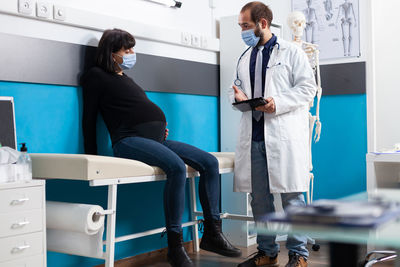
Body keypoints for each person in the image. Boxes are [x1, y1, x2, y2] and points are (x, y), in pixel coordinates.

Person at [80, 28, 241, 267]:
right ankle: (175, 248)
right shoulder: (95, 76)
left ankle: (212, 234)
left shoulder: (125, 77)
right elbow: (89, 117)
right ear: (111, 52)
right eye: (127, 49)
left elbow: (134, 108)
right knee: (176, 166)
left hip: (155, 140)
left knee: (210, 162)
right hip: (127, 141)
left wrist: (156, 128)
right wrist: (92, 157)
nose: (132, 53)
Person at [229, 2, 317, 267]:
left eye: (246, 25)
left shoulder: (291, 52)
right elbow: (239, 87)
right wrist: (239, 96)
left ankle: (298, 254)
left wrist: (277, 103)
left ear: (263, 24)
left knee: (292, 196)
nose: (243, 31)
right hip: (254, 136)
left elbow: (307, 89)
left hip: (283, 135)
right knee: (259, 199)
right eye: (241, 26)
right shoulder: (245, 57)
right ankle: (266, 252)